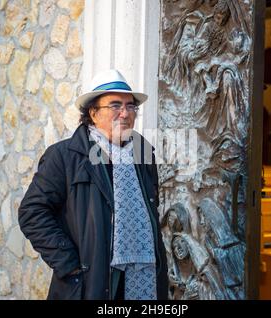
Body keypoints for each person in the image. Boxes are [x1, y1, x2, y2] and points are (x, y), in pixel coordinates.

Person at [18, 69, 168, 300]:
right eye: (115, 105)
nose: (125, 113)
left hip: (142, 276)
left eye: (130, 106)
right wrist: (70, 264)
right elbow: (32, 213)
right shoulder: (65, 156)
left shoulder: (143, 154)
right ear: (94, 112)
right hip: (92, 282)